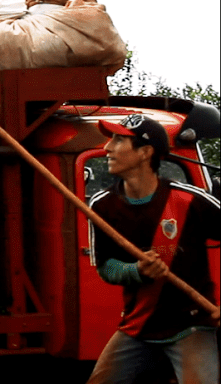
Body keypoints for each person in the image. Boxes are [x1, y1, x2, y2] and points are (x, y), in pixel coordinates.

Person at [86, 114, 220, 384]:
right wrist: (135, 270)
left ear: (145, 152)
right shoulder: (102, 206)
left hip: (190, 324)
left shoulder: (189, 200)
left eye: (119, 140)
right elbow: (106, 267)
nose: (107, 148)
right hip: (138, 325)